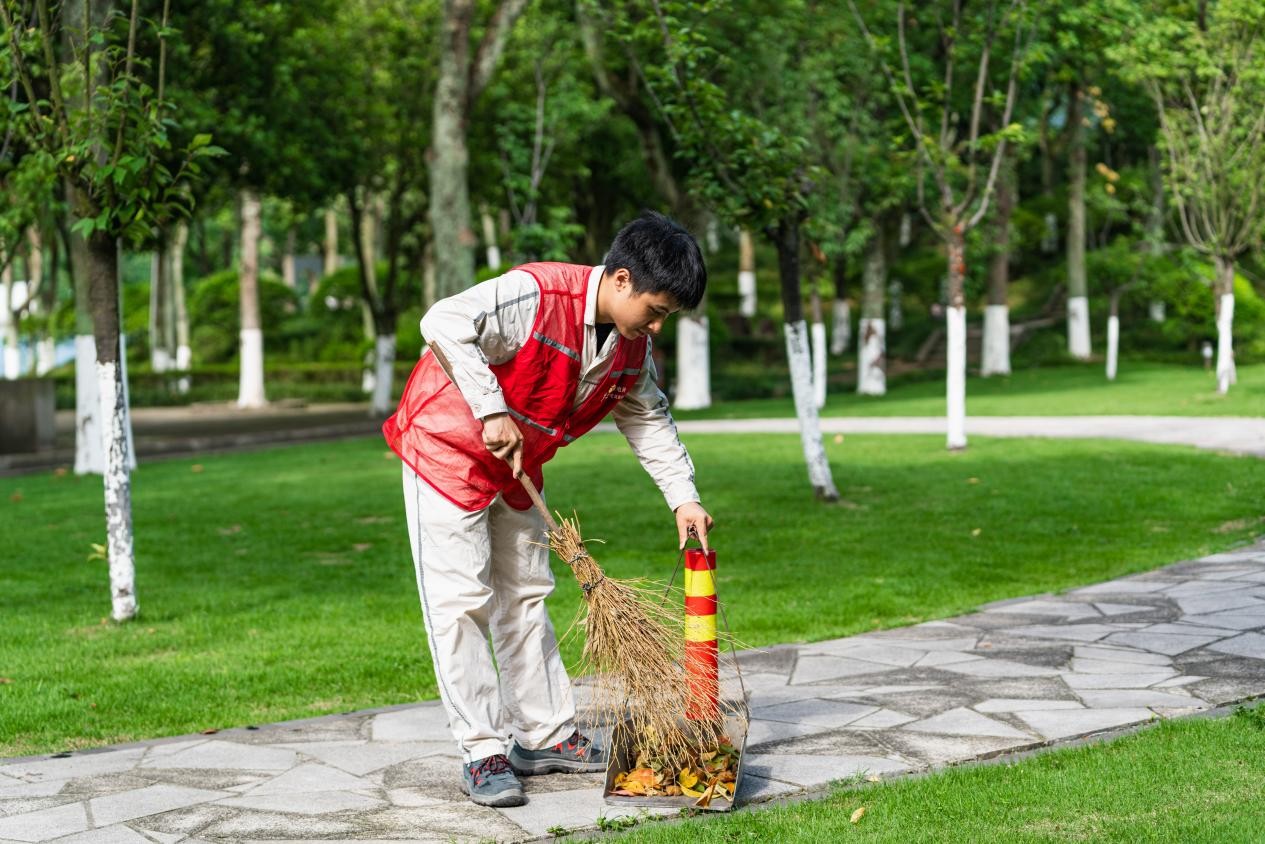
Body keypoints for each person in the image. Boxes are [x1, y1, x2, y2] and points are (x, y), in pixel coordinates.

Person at [383, 211, 714, 807]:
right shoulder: (537, 293)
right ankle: (483, 750)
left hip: (518, 465)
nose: (659, 326)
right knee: (461, 604)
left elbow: (648, 420)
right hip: (446, 450)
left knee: (528, 592)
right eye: (657, 310)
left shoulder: (630, 349)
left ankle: (543, 735)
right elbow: (443, 319)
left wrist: (683, 497)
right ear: (619, 280)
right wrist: (489, 408)